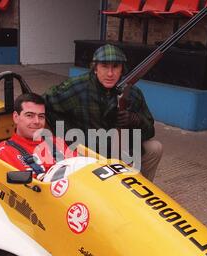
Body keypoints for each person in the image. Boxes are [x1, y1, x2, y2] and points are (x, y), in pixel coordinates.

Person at [43, 44, 163, 182]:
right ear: (95, 68)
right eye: (104, 66)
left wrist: (136, 120)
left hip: (121, 149)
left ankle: (143, 188)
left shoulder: (133, 93)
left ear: (122, 69)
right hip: (87, 152)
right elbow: (41, 104)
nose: (110, 73)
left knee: (155, 148)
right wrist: (61, 137)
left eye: (115, 67)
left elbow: (150, 130)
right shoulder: (78, 87)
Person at [0, 93, 76, 174]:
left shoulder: (56, 142)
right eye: (29, 115)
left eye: (41, 116)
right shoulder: (4, 152)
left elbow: (81, 167)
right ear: (16, 117)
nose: (37, 121)